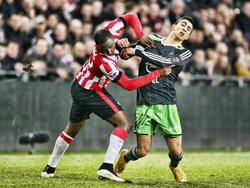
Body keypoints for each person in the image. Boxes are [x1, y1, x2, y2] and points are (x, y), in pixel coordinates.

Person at [41, 13, 173, 182]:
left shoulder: (109, 31)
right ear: (98, 47)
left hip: (79, 86)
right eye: (107, 49)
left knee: (71, 130)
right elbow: (128, 85)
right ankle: (107, 167)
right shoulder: (104, 63)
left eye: (112, 46)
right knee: (124, 124)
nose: (111, 50)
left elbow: (131, 16)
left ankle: (49, 169)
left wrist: (140, 35)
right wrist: (157, 73)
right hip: (90, 91)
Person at [114, 16, 194, 182]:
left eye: (188, 29)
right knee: (142, 150)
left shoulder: (184, 52)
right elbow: (126, 53)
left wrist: (136, 51)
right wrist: (123, 46)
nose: (185, 28)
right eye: (183, 25)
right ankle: (125, 158)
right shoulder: (152, 39)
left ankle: (174, 166)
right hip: (145, 100)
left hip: (167, 102)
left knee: (176, 152)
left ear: (187, 36)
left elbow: (165, 61)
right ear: (173, 26)